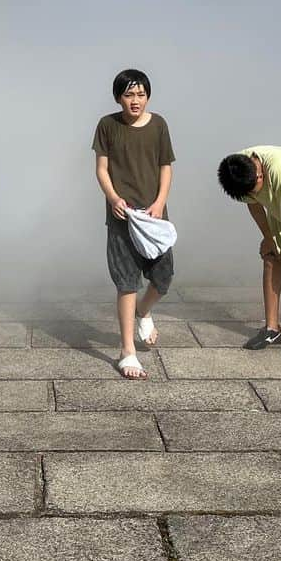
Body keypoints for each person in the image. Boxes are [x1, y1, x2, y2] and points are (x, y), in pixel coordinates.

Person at [93, 69, 176, 379]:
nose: (135, 100)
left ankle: (144, 311)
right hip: (121, 217)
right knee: (126, 281)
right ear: (119, 98)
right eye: (129, 95)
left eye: (141, 94)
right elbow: (102, 169)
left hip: (154, 215)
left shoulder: (159, 125)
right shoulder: (107, 125)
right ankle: (127, 351)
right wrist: (114, 198)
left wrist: (159, 202)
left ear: (148, 97)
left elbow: (165, 167)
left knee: (163, 276)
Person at [217, 146, 281, 360]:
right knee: (271, 258)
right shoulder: (236, 173)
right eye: (251, 194)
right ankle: (272, 329)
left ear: (260, 173)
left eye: (256, 188)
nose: (254, 195)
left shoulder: (277, 168)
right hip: (277, 205)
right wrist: (268, 237)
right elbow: (255, 207)